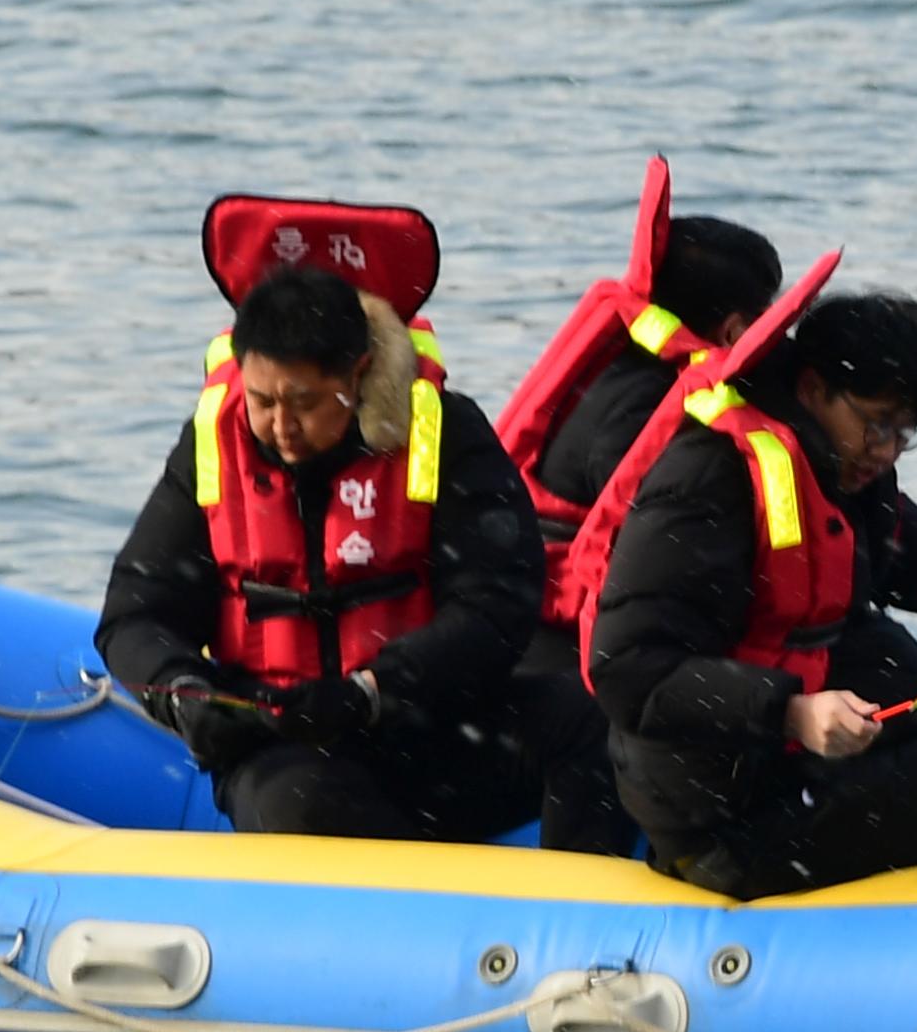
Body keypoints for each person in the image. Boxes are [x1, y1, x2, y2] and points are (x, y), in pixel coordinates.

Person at [582, 279, 917, 898]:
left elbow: (900, 544)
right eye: (878, 424)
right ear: (813, 390)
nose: (888, 451)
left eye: (906, 432)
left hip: (808, 773)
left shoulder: (831, 462)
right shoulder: (708, 479)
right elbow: (625, 665)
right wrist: (790, 712)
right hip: (735, 825)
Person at [100, 195, 582, 843]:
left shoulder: (446, 432)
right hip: (282, 748)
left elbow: (501, 605)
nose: (280, 426)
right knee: (306, 809)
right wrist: (182, 690)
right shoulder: (213, 446)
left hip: (433, 728)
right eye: (263, 400)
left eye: (303, 403)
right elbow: (136, 611)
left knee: (591, 724)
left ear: (357, 376)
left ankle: (587, 912)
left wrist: (373, 690)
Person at [488, 159, 783, 852]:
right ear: (738, 327)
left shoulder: (616, 371)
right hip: (557, 651)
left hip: (521, 624)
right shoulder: (656, 410)